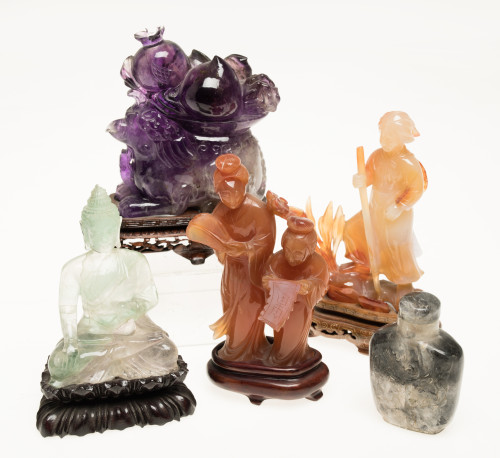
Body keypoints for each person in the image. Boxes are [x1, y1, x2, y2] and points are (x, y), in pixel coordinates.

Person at [48, 186, 178, 387]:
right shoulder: (73, 268)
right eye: (96, 230)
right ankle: (116, 361)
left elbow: (150, 297)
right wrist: (71, 343)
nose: (103, 236)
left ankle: (109, 364)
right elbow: (67, 310)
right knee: (58, 365)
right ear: (84, 230)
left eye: (108, 229)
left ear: (117, 227)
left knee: (167, 352)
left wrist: (127, 310)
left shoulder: (134, 260)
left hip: (130, 332)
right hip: (92, 336)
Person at [187, 154, 276, 361]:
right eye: (225, 193)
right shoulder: (220, 211)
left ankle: (252, 348)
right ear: (218, 193)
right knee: (232, 308)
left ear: (244, 187)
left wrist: (244, 249)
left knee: (251, 308)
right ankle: (236, 348)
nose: (230, 198)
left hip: (252, 273)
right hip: (232, 272)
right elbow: (216, 237)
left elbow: (266, 239)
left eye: (235, 191)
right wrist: (224, 249)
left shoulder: (257, 209)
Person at [344, 112, 427, 301]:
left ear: (402, 138)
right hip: (375, 210)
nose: (385, 139)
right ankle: (365, 273)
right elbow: (368, 175)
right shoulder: (376, 156)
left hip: (397, 216)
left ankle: (404, 285)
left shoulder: (408, 163)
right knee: (354, 230)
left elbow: (417, 188)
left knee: (397, 246)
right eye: (383, 134)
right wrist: (361, 179)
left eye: (391, 136)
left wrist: (399, 206)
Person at [262, 216, 329, 366]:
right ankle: (279, 356)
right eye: (288, 251)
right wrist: (269, 282)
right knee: (280, 336)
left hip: (300, 310)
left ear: (310, 250)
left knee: (294, 338)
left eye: (298, 253)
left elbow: (320, 284)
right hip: (280, 307)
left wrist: (308, 286)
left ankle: (292, 360)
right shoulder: (277, 259)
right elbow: (267, 276)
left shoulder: (318, 263)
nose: (291, 258)